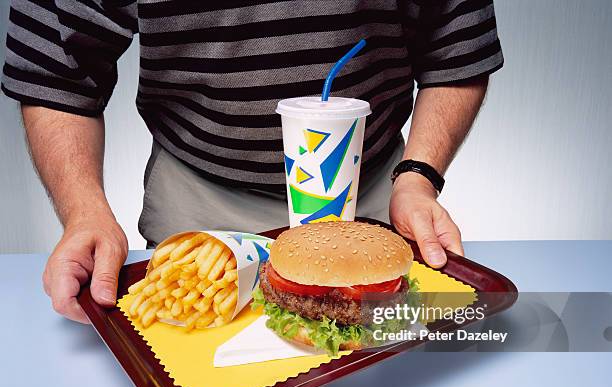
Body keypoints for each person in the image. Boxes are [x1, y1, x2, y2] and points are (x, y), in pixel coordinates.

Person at [1, 1, 503, 322]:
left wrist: (418, 177)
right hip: (198, 214)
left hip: (377, 203)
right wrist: (84, 211)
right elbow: (54, 60)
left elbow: (456, 41)